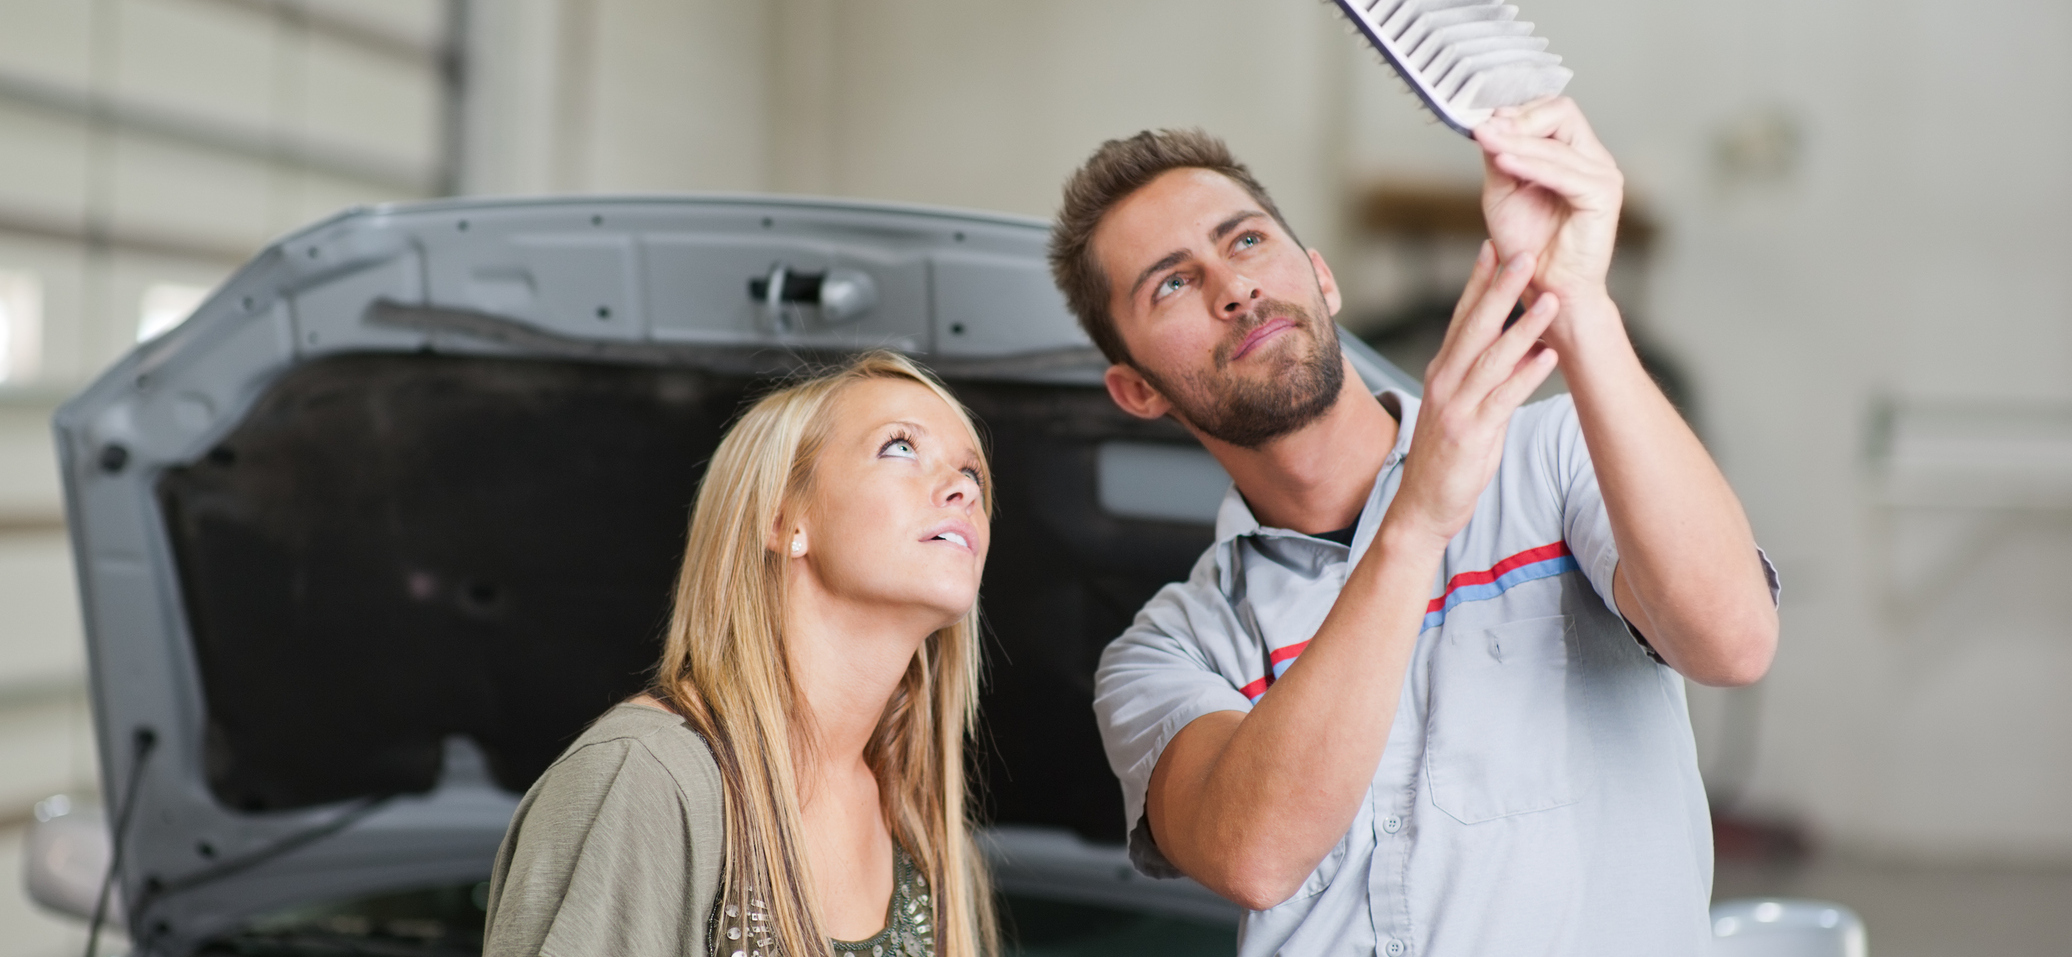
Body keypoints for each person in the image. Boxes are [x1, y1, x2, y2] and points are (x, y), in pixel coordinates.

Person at [1051, 99, 1780, 956]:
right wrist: (1416, 519)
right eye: (1172, 282)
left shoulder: (1556, 459)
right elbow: (1254, 853)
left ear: (1321, 276)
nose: (1234, 288)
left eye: (1245, 240)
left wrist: (1577, 301)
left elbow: (1733, 642)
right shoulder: (1169, 651)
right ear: (1137, 391)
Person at [482, 351, 999, 957]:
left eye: (974, 474)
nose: (962, 487)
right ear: (783, 519)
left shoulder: (922, 832)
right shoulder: (647, 777)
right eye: (900, 448)